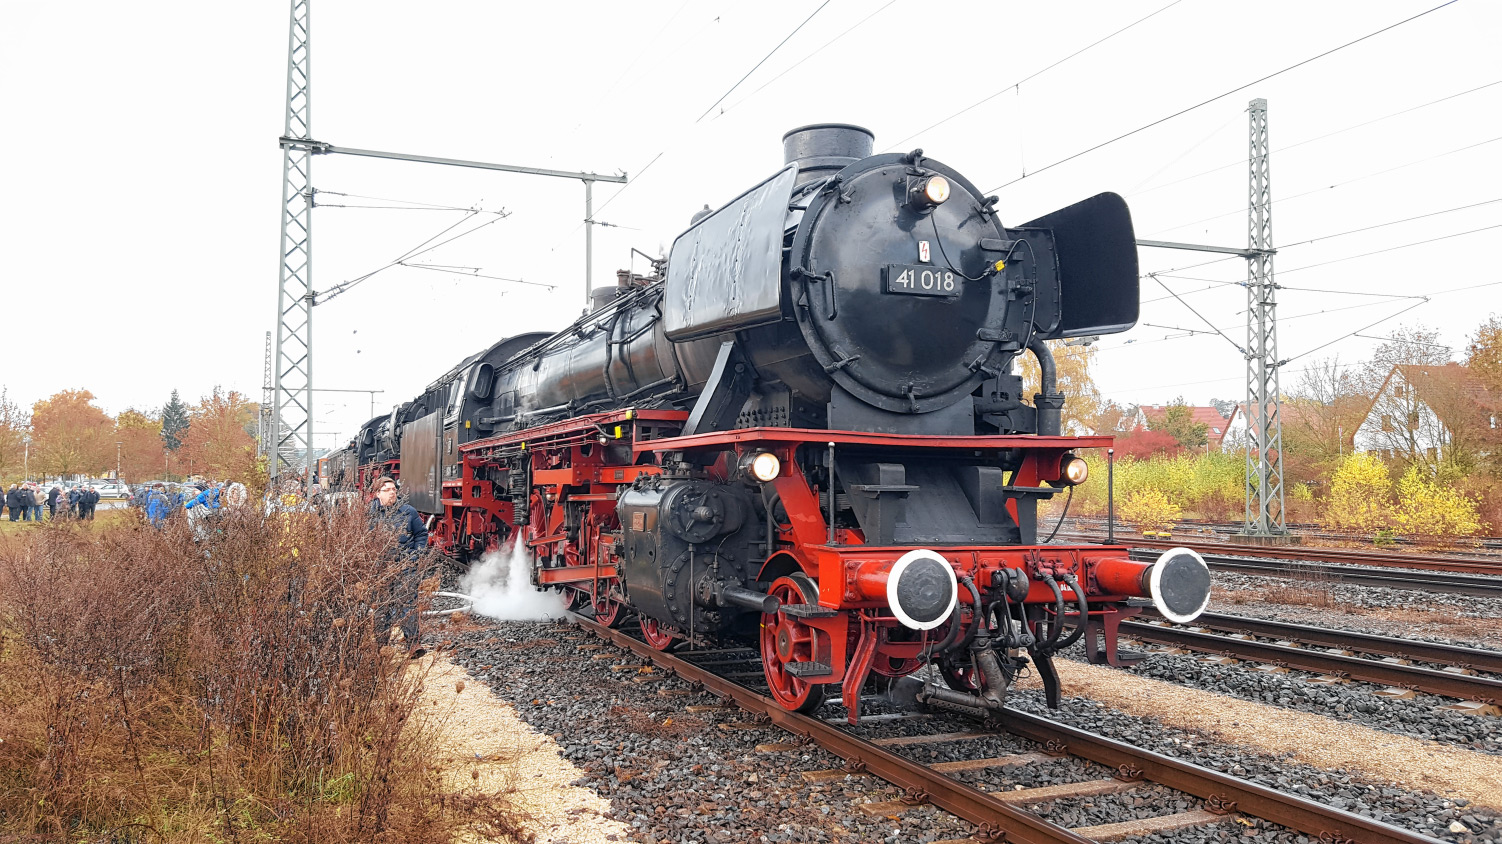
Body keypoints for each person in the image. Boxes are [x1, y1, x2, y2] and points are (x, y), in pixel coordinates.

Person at [367, 475, 428, 658]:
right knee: (381, 607)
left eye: (394, 489)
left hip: (405, 565)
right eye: (387, 490)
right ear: (377, 493)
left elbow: (421, 535)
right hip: (381, 568)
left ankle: (413, 644)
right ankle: (381, 646)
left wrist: (416, 555)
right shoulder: (368, 514)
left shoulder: (408, 512)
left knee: (408, 603)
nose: (392, 493)